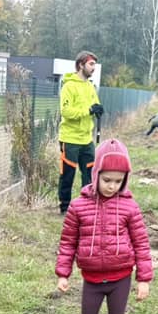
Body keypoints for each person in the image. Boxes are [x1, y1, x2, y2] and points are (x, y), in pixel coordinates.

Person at [55, 138, 153, 314]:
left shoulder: (130, 207)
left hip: (120, 278)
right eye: (107, 179)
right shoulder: (78, 206)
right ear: (95, 174)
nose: (112, 186)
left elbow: (141, 244)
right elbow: (68, 242)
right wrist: (63, 273)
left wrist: (143, 279)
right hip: (92, 280)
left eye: (118, 181)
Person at [58, 51, 103, 214]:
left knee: (90, 174)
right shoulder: (68, 86)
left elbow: (94, 105)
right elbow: (66, 111)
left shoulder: (90, 86)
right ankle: (64, 207)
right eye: (91, 64)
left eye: (94, 65)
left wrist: (98, 109)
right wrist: (89, 110)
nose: (94, 68)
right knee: (67, 175)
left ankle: (87, 206)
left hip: (86, 139)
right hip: (69, 139)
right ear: (80, 65)